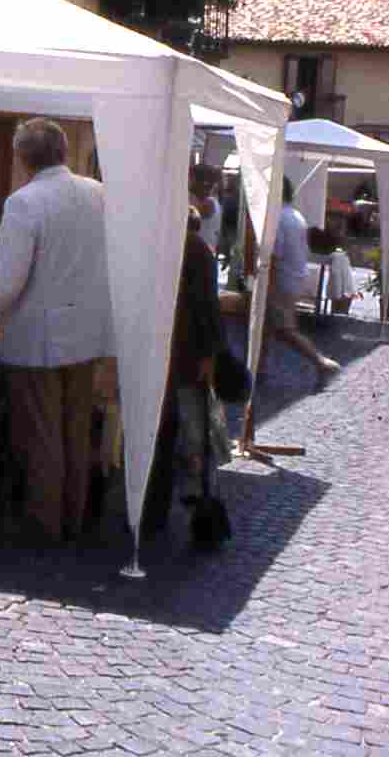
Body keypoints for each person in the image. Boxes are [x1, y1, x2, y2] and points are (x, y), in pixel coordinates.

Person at [0, 118, 111, 543]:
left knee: (40, 434)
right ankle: (72, 517)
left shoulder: (24, 202)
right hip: (86, 333)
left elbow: (8, 281)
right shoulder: (98, 193)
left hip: (40, 337)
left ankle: (44, 523)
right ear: (63, 152)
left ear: (22, 158)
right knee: (74, 430)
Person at [143, 208, 228, 536]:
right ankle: (187, 498)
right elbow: (209, 310)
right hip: (186, 357)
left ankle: (158, 509)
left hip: (171, 355)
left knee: (167, 435)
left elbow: (205, 309)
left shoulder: (167, 246)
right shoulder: (197, 250)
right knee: (189, 435)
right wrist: (210, 355)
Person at [268, 175, 342, 388]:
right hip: (293, 277)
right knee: (269, 326)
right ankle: (258, 368)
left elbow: (274, 255)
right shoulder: (294, 215)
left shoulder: (278, 218)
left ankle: (321, 362)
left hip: (282, 279)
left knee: (284, 329)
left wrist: (268, 286)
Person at [190, 164, 223, 256]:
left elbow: (184, 216)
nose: (188, 183)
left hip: (200, 256)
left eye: (191, 179)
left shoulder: (209, 204)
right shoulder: (211, 202)